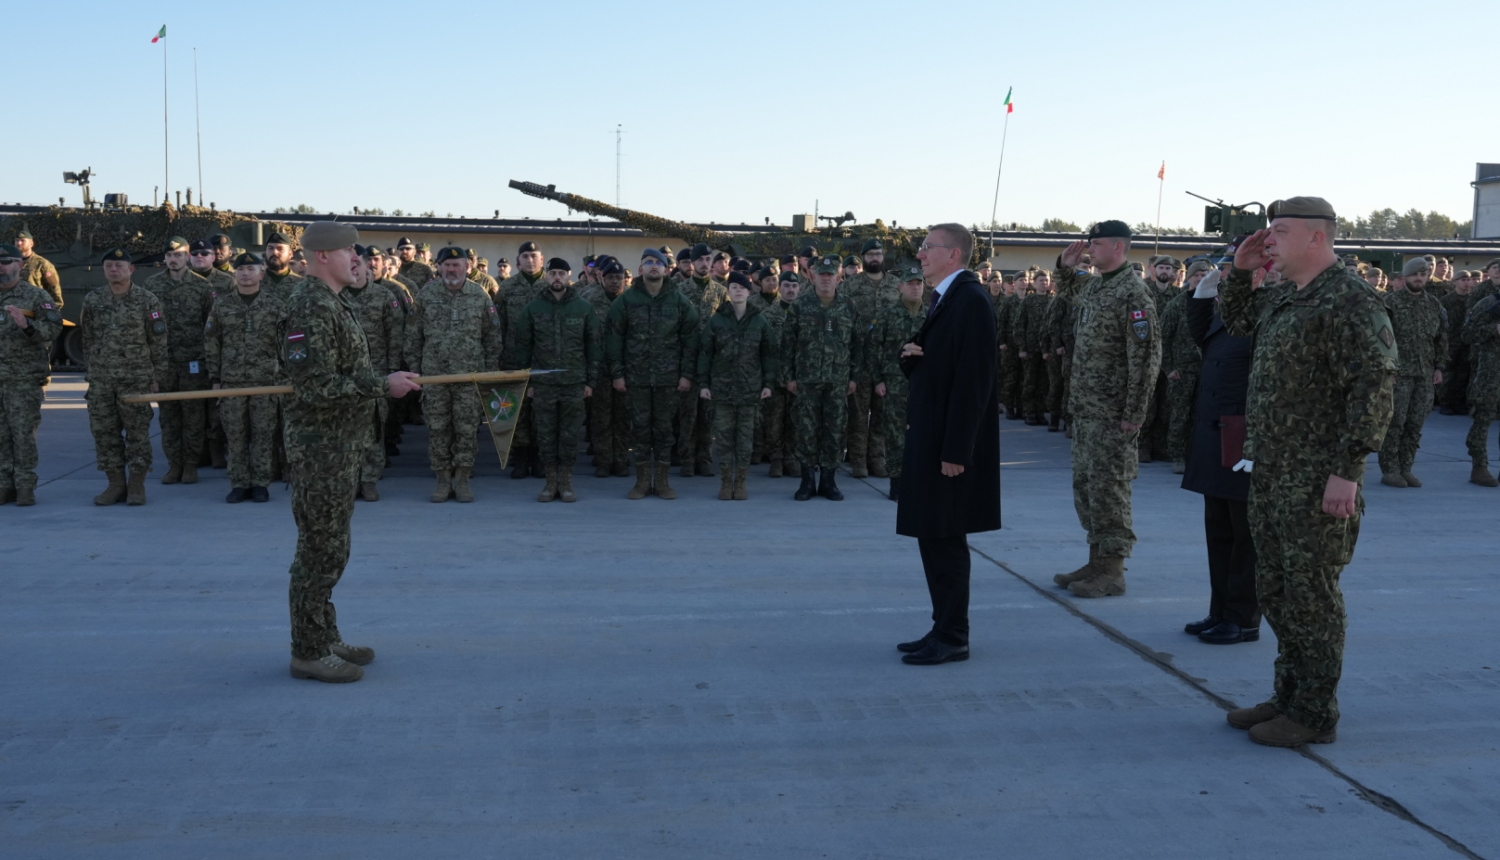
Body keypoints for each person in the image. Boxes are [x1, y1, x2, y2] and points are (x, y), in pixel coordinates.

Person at [1218, 197, 1397, 746]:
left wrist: (1348, 471)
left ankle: (1315, 714)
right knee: (1276, 590)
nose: (1268, 239)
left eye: (1280, 231)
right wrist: (1239, 272)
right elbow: (1237, 322)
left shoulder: (1350, 299)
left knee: (1312, 595)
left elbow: (1374, 386)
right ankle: (1289, 695)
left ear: (1317, 237)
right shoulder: (1288, 295)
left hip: (1318, 477)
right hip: (1274, 470)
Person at [281, 221, 421, 683]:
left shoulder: (333, 301)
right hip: (320, 450)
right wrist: (382, 385)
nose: (357, 259)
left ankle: (323, 635)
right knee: (318, 552)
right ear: (323, 256)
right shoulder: (310, 306)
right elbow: (314, 386)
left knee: (332, 549)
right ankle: (308, 651)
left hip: (339, 446)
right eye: (348, 251)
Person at [894, 224, 1000, 666]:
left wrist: (957, 451)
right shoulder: (947, 298)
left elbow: (974, 383)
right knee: (932, 536)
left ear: (953, 254)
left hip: (947, 447)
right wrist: (911, 358)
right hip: (932, 437)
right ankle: (942, 626)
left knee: (946, 539)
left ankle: (954, 635)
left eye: (927, 247)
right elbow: (943, 365)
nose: (920, 255)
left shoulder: (970, 300)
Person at [1052, 222, 1161, 598]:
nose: (1089, 250)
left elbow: (1145, 359)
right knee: (1087, 488)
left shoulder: (1134, 293)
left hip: (1114, 414)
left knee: (1110, 489)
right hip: (1087, 411)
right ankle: (1096, 559)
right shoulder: (1097, 285)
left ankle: (1112, 570)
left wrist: (1134, 413)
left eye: (1096, 244)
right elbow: (1068, 291)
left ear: (1118, 247)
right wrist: (1064, 267)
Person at [1180, 263, 1260, 644]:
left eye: (1234, 270)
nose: (1227, 277)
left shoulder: (1264, 311)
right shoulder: (1230, 312)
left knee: (1246, 535)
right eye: (1225, 270)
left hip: (1244, 437)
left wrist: (1259, 440)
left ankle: (1243, 618)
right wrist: (1201, 296)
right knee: (1219, 529)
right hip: (1217, 434)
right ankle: (1220, 610)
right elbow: (1201, 336)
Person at [405, 246, 501, 503]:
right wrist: (416, 371)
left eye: (456, 265)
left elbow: (492, 337)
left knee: (466, 429)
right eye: (446, 265)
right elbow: (412, 337)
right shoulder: (425, 296)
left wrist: (488, 372)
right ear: (438, 267)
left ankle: (463, 479)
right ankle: (442, 479)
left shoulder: (479, 296)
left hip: (469, 378)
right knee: (438, 429)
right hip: (434, 377)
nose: (451, 269)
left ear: (467, 267)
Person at [605, 248, 698, 500]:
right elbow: (613, 339)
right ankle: (642, 482)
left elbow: (691, 340)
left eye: (658, 262)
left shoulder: (679, 301)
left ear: (667, 269)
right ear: (640, 269)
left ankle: (663, 482)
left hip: (669, 379)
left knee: (665, 431)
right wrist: (617, 374)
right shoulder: (625, 301)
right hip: (636, 379)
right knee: (640, 430)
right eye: (648, 262)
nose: (654, 266)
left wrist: (686, 374)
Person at [80, 249, 168, 505]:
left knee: (137, 433)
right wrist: (92, 371)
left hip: (135, 378)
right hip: (102, 380)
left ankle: (137, 485)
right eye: (109, 266)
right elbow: (88, 339)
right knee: (104, 433)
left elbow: (158, 341)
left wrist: (156, 376)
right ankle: (115, 484)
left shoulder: (146, 300)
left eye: (119, 265)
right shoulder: (93, 299)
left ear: (131, 270)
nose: (114, 270)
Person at [515, 257, 601, 503]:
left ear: (569, 277)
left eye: (561, 273)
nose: (557, 277)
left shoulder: (583, 308)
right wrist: (528, 382)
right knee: (545, 435)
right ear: (546, 276)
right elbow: (522, 348)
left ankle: (566, 482)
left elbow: (594, 347)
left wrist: (590, 382)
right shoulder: (533, 308)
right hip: (543, 385)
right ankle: (550, 482)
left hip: (574, 383)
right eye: (552, 273)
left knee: (569, 435)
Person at [205, 252, 287, 503]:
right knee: (235, 436)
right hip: (232, 381)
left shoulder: (276, 306)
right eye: (241, 269)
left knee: (263, 434)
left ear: (261, 274)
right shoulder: (222, 305)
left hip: (266, 381)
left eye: (251, 269)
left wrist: (283, 376)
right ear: (235, 273)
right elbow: (212, 342)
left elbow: (285, 345)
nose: (245, 274)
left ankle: (261, 483)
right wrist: (215, 378)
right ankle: (239, 483)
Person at [785, 255, 860, 502]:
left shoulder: (849, 306)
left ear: (839, 278)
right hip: (806, 379)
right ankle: (807, 481)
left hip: (838, 380)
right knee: (806, 429)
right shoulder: (800, 305)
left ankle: (829, 481)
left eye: (831, 275)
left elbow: (857, 345)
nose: (826, 279)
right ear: (813, 277)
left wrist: (854, 377)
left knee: (834, 430)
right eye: (822, 275)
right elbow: (788, 344)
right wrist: (789, 377)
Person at [142, 236, 215, 485]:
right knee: (168, 416)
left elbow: (210, 325)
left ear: (187, 257)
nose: (174, 259)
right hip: (164, 362)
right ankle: (174, 464)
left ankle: (191, 464)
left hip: (194, 361)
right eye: (169, 255)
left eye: (179, 255)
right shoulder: (152, 285)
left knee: (194, 415)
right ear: (165, 258)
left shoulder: (202, 286)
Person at [697, 272, 775, 500]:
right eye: (733, 287)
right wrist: (703, 384)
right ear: (728, 292)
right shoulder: (717, 320)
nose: (738, 291)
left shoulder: (759, 321)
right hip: (721, 391)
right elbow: (705, 354)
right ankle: (725, 483)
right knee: (723, 440)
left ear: (749, 292)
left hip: (750, 391)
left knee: (744, 440)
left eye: (742, 287)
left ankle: (740, 483)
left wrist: (768, 383)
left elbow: (768, 355)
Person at [0, 243, 63, 506]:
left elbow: (54, 328)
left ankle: (25, 485)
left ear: (20, 265)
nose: (0, 267)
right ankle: (4, 485)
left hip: (22, 378)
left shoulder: (36, 296)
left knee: (23, 434)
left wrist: (28, 326)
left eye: (5, 262)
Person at [1378, 258, 1447, 488]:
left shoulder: (1433, 304)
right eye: (1414, 274)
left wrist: (1439, 367)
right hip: (1398, 373)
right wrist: (1387, 369)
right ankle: (1390, 470)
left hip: (1425, 373)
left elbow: (1441, 338)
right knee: (1395, 422)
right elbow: (1381, 339)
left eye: (1423, 274)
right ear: (1405, 277)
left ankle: (1406, 468)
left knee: (1415, 423)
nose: (1419, 278)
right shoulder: (1390, 303)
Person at [344, 246, 404, 501]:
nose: (354, 269)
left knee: (374, 429)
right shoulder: (335, 297)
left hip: (376, 373)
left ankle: (369, 480)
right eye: (349, 265)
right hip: (344, 376)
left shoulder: (383, 296)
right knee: (345, 430)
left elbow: (395, 336)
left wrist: (392, 370)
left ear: (367, 266)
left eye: (357, 264)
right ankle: (349, 480)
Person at [840, 238, 902, 478]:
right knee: (857, 415)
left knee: (881, 415)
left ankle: (878, 460)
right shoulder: (850, 286)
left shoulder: (896, 284)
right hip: (860, 360)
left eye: (878, 254)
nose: (874, 258)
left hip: (887, 361)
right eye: (870, 255)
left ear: (883, 257)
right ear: (863, 258)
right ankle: (858, 462)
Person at [870, 265, 926, 501]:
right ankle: (897, 481)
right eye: (910, 284)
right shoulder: (887, 315)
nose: (915, 288)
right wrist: (877, 380)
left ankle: (920, 480)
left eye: (918, 283)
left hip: (924, 385)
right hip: (894, 384)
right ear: (900, 287)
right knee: (894, 434)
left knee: (924, 433)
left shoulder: (932, 316)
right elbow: (873, 349)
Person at [496, 241, 547, 479]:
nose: (530, 260)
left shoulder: (551, 285)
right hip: (513, 358)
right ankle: (520, 456)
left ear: (542, 259)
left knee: (541, 409)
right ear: (518, 261)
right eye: (525, 256)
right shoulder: (507, 287)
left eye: (534, 256)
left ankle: (538, 456)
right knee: (516, 408)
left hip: (543, 359)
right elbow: (498, 324)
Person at [585, 260, 630, 478]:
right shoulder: (589, 300)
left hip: (626, 369)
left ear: (624, 280)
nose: (614, 282)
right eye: (610, 277)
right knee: (601, 417)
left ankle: (620, 459)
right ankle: (604, 460)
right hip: (600, 369)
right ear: (602, 279)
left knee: (623, 417)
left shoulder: (631, 300)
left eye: (618, 278)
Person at [1464, 288, 1500, 487]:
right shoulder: (1488, 304)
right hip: (1490, 376)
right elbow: (1466, 334)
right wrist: (1494, 329)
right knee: (1482, 421)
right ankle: (1479, 467)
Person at [14, 230, 62, 307]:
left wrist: (53, 309)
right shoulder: (10, 263)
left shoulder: (42, 264)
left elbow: (54, 288)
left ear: (31, 243)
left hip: (35, 309)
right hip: (13, 308)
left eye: (23, 241)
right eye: (17, 240)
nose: (19, 243)